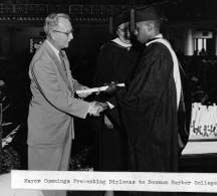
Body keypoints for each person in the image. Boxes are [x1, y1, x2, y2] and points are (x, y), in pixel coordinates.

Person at [27, 13, 107, 196]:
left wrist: (82, 88)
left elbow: (67, 82)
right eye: (68, 33)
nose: (72, 37)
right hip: (46, 134)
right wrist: (88, 107)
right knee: (45, 188)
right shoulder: (42, 61)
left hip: (61, 129)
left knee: (59, 184)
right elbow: (57, 97)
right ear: (54, 33)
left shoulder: (60, 54)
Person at [111, 7, 188, 196]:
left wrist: (117, 94)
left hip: (154, 131)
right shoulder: (162, 48)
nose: (134, 33)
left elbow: (142, 97)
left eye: (136, 29)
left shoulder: (156, 52)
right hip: (162, 125)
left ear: (150, 27)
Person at [92, 11, 141, 196]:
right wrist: (106, 114)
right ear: (116, 30)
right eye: (122, 29)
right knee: (111, 152)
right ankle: (109, 190)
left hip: (131, 109)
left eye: (130, 29)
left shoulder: (140, 49)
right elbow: (100, 82)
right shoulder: (108, 50)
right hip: (111, 110)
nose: (126, 33)